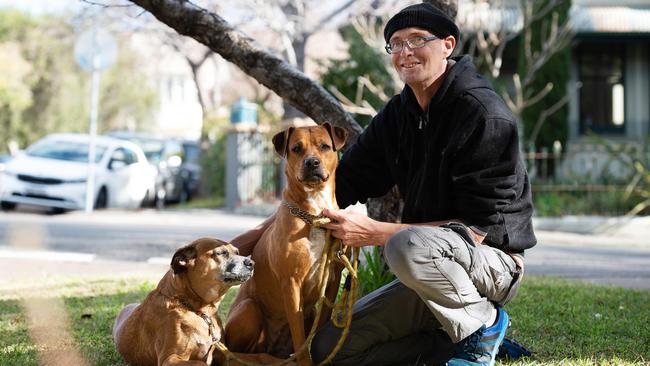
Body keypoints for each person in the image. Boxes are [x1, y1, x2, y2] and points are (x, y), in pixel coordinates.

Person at [232, 3, 536, 365]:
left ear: (448, 45)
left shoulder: (483, 115)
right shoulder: (399, 115)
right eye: (396, 44)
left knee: (403, 245)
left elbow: (475, 231)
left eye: (417, 40)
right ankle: (455, 342)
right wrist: (238, 245)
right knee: (326, 350)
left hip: (493, 265)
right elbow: (336, 187)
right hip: (429, 267)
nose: (405, 52)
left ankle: (485, 328)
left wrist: (376, 232)